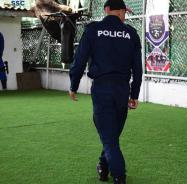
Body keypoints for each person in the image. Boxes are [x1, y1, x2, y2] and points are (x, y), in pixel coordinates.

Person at [68, 0, 142, 183]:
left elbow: (80, 60)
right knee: (112, 134)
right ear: (115, 11)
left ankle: (118, 175)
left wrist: (73, 85)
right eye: (124, 12)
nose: (125, 15)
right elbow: (138, 69)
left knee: (110, 138)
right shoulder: (131, 33)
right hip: (122, 90)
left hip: (102, 89)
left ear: (106, 10)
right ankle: (106, 168)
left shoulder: (93, 30)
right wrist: (134, 94)